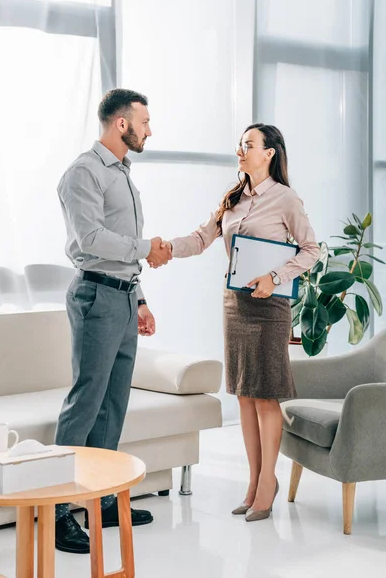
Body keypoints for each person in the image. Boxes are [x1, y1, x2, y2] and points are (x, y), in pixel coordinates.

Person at [158, 124, 319, 522]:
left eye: (249, 145)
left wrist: (275, 277)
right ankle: (254, 482)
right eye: (240, 145)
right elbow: (201, 238)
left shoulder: (286, 200)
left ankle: (268, 483)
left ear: (270, 153)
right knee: (245, 394)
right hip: (235, 305)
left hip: (269, 307)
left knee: (266, 395)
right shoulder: (231, 198)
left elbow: (312, 250)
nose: (241, 151)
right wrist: (165, 249)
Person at [54, 88, 172, 554]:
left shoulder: (123, 174)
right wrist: (148, 248)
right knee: (86, 402)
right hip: (95, 297)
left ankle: (101, 501)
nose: (149, 130)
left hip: (122, 299)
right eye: (144, 121)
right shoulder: (84, 173)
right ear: (121, 123)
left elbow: (122, 246)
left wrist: (139, 299)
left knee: (112, 405)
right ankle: (59, 511)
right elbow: (93, 239)